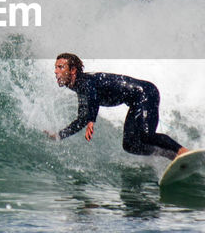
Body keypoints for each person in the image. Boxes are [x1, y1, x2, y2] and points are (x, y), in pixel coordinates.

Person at [45, 53, 189, 160]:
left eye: (60, 67)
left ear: (73, 70)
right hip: (135, 102)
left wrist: (92, 120)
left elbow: (92, 94)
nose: (56, 71)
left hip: (145, 93)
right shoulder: (80, 88)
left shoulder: (85, 82)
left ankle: (182, 151)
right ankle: (168, 153)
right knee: (130, 145)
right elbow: (81, 120)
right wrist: (59, 135)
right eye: (55, 68)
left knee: (145, 135)